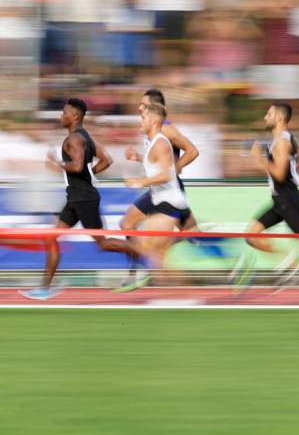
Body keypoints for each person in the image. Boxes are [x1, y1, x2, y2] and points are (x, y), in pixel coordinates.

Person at [19, 98, 142, 300]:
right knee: (49, 237)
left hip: (84, 199)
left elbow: (76, 166)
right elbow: (107, 160)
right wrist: (89, 175)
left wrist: (57, 163)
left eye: (64, 112)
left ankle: (142, 257)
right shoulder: (87, 138)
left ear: (75, 116)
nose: (61, 116)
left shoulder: (74, 139)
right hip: (76, 198)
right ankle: (44, 288)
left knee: (102, 243)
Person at [243, 102, 299, 290]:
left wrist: (259, 160)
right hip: (282, 200)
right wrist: (295, 180)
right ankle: (290, 262)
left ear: (279, 117)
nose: (265, 117)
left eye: (268, 114)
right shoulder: (287, 138)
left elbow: (280, 174)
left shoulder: (281, 143)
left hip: (288, 201)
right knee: (251, 235)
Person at [124, 103, 192, 281]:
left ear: (154, 120)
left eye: (143, 116)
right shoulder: (154, 142)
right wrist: (138, 158)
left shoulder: (161, 141)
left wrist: (140, 182)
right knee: (159, 252)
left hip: (168, 202)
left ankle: (185, 291)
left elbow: (168, 174)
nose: (139, 119)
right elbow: (155, 165)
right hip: (166, 200)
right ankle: (181, 293)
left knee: (149, 251)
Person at [121, 88, 199, 232]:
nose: (139, 108)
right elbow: (158, 160)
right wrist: (138, 157)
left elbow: (193, 151)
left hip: (166, 189)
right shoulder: (153, 130)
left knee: (127, 225)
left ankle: (143, 253)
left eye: (143, 104)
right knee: (193, 234)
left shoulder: (166, 129)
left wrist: (173, 169)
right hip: (161, 188)